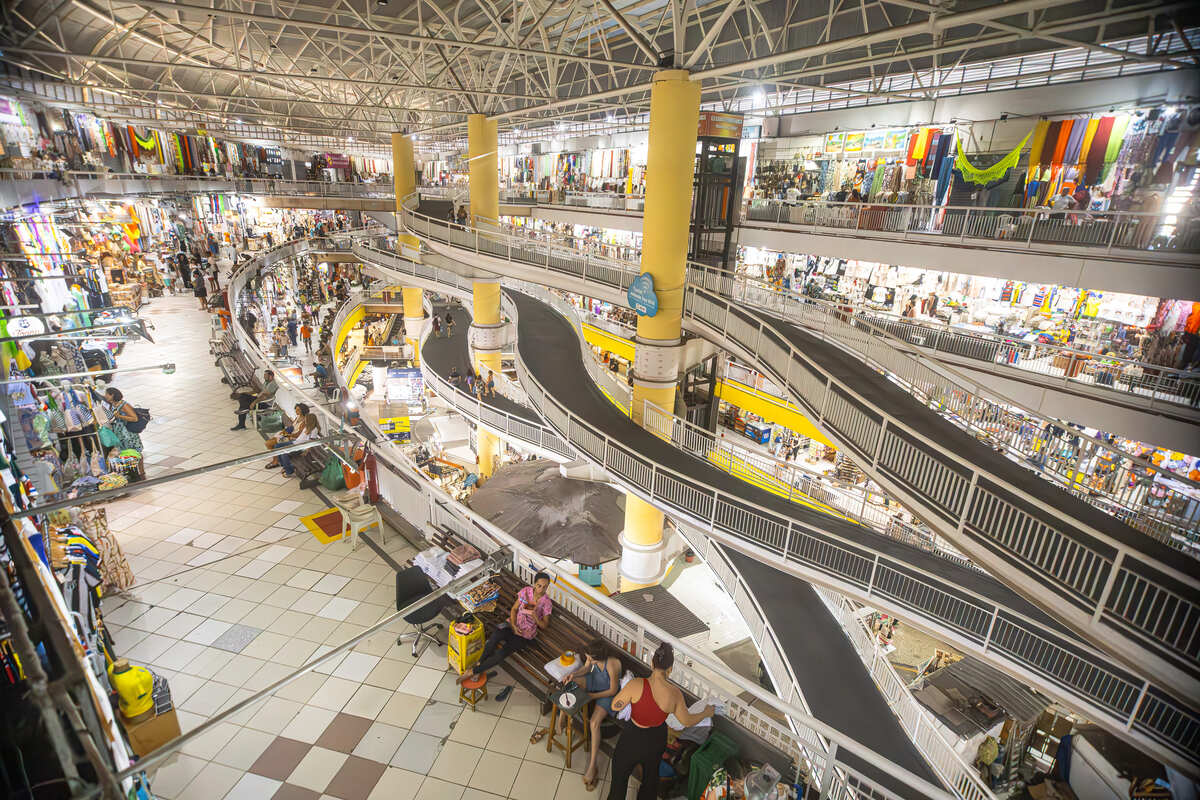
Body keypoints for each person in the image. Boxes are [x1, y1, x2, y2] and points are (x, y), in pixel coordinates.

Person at [607, 644, 714, 800]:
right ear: (670, 669)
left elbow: (615, 705)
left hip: (632, 736)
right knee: (650, 779)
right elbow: (687, 721)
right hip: (656, 738)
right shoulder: (675, 694)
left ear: (652, 663)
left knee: (620, 776)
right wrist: (706, 712)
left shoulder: (636, 685)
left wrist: (629, 700)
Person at [456, 571, 552, 686]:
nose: (541, 589)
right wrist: (514, 625)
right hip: (512, 625)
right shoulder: (526, 591)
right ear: (535, 584)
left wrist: (536, 617)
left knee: (502, 653)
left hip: (524, 634)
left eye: (545, 587)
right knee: (495, 637)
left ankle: (473, 671)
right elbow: (514, 610)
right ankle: (479, 665)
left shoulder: (546, 603)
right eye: (539, 585)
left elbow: (544, 625)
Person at [561, 639, 621, 791]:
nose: (588, 659)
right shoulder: (592, 657)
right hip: (594, 681)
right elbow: (586, 669)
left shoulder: (613, 664)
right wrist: (573, 675)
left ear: (598, 657)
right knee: (570, 684)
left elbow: (613, 690)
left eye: (590, 658)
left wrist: (592, 697)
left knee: (594, 723)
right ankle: (562, 718)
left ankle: (592, 765)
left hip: (607, 692)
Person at [265, 403, 312, 467]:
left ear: (303, 410)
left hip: (293, 439)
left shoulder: (304, 422)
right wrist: (285, 432)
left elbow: (298, 435)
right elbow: (292, 427)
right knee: (270, 442)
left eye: (298, 410)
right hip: (289, 435)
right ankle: (277, 458)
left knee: (269, 443)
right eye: (296, 409)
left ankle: (275, 461)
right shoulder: (298, 417)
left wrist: (287, 435)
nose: (296, 411)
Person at [103, 388, 144, 455]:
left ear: (112, 395)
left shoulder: (124, 405)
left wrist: (119, 416)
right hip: (120, 434)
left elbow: (135, 418)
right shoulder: (113, 404)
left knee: (134, 453)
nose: (105, 396)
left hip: (128, 434)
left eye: (107, 394)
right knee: (126, 454)